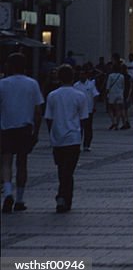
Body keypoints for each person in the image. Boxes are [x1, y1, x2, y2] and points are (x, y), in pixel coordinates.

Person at [0, 53, 44, 213]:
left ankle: (7, 193)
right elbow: (38, 111)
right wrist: (36, 131)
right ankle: (19, 198)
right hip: (25, 128)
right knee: (22, 163)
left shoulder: (2, 84)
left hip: (6, 127)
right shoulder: (32, 84)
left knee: (6, 162)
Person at [44, 65, 89, 212]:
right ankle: (64, 197)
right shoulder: (80, 96)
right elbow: (83, 119)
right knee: (68, 171)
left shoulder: (52, 95)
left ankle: (63, 197)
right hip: (73, 138)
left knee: (62, 169)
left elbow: (48, 118)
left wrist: (52, 132)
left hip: (57, 138)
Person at [72, 69, 99, 151]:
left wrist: (94, 106)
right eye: (80, 74)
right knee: (78, 127)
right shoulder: (76, 85)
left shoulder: (90, 84)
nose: (81, 76)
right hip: (78, 110)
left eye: (83, 74)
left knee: (88, 128)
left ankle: (87, 144)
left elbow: (95, 95)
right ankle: (77, 143)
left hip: (88, 109)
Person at [105, 64, 127, 130]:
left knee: (110, 109)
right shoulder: (122, 76)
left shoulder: (110, 76)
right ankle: (117, 124)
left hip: (112, 93)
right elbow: (123, 85)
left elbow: (108, 86)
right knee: (118, 109)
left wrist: (105, 93)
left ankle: (113, 121)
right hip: (120, 93)